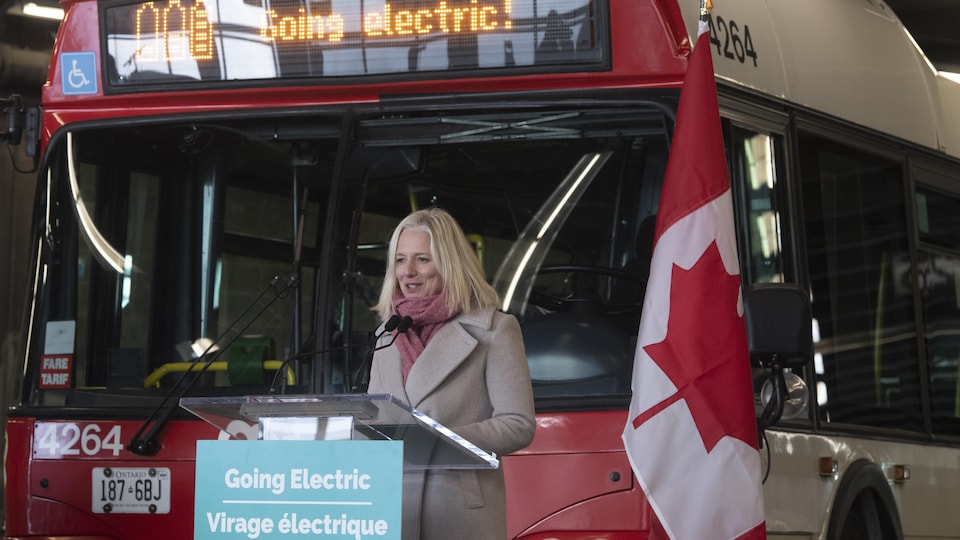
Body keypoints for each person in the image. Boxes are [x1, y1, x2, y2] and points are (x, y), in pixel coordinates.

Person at [367, 207, 536, 540]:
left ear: (449, 263)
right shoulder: (387, 335)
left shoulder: (495, 330)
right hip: (390, 511)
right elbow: (376, 421)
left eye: (422, 260)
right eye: (400, 260)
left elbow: (518, 424)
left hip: (458, 511)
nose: (408, 272)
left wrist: (442, 439)